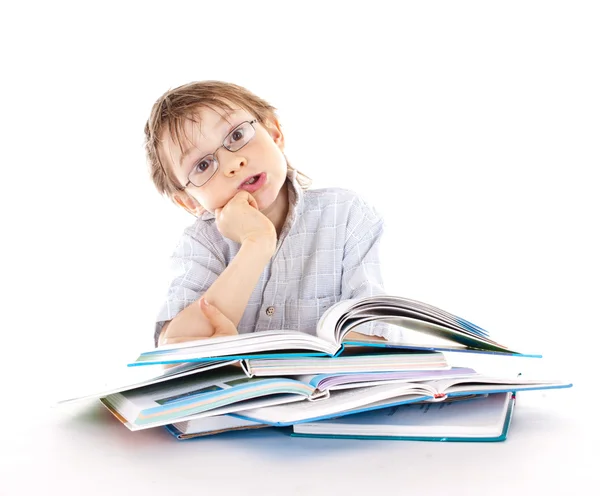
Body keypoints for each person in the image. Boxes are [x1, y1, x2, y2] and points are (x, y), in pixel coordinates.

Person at [144, 80, 391, 347]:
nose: (232, 164)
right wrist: (256, 243)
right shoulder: (202, 244)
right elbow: (177, 351)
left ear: (274, 133)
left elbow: (375, 332)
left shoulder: (345, 215)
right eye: (203, 165)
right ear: (189, 202)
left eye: (237, 136)